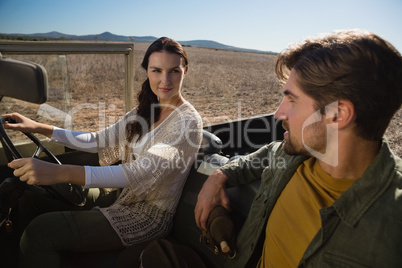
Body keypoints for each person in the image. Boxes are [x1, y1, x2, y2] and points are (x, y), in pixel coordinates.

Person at [195, 29, 402, 268]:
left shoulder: (392, 229)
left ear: (338, 114)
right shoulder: (294, 154)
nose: (278, 113)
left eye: (292, 100)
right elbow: (264, 155)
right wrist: (219, 176)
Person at [4, 37, 203, 267]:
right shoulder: (146, 109)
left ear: (184, 71)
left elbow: (139, 173)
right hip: (120, 194)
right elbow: (99, 140)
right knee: (34, 195)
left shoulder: (188, 122)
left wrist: (61, 172)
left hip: (146, 217)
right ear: (147, 71)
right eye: (156, 70)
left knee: (38, 234)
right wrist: (39, 127)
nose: (164, 80)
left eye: (174, 71)